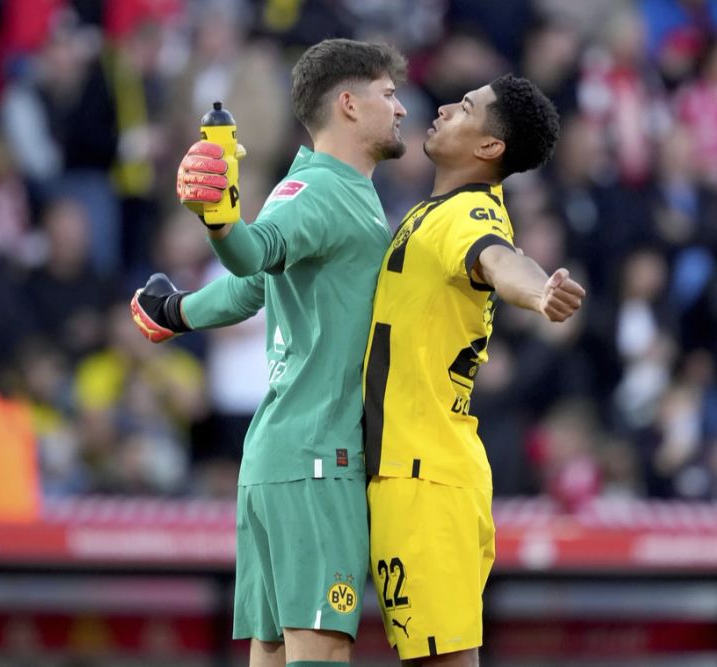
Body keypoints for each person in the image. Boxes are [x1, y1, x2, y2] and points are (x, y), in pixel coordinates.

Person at [130, 38, 408, 667]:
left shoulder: (329, 191)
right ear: (348, 104)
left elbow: (252, 285)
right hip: (317, 457)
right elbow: (253, 253)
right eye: (388, 95)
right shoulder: (322, 192)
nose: (401, 109)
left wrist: (177, 310)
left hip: (285, 455)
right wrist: (221, 223)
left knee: (275, 652)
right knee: (320, 652)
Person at [363, 74, 586, 664]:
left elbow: (499, 258)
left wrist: (539, 293)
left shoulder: (469, 216)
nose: (442, 107)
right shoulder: (432, 213)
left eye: (464, 108)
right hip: (409, 470)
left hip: (425, 478)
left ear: (490, 148)